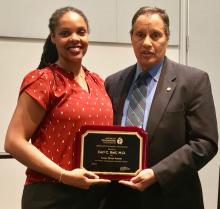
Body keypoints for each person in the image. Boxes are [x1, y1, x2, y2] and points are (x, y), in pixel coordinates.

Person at [104, 6, 218, 209]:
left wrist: (157, 173)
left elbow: (205, 143)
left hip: (171, 198)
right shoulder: (113, 83)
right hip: (119, 199)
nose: (147, 42)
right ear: (131, 38)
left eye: (155, 35)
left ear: (167, 38)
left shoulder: (193, 81)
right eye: (140, 34)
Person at [4, 6, 113, 209]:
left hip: (96, 196)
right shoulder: (43, 80)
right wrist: (64, 176)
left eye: (81, 32)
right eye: (65, 33)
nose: (75, 38)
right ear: (53, 37)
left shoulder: (98, 81)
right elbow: (13, 142)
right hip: (51, 195)